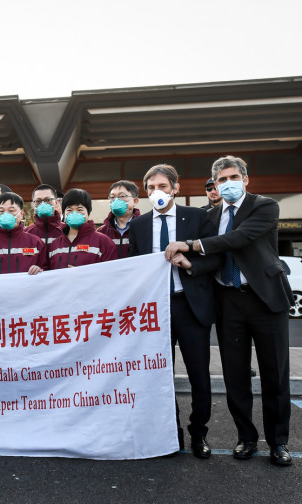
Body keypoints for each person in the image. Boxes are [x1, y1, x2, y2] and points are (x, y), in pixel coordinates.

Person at [165, 155, 294, 466]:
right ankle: (246, 438)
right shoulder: (209, 216)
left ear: (245, 179)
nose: (228, 184)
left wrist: (191, 245)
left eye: (233, 177)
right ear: (215, 184)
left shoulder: (265, 206)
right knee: (235, 375)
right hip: (227, 300)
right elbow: (212, 259)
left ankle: (278, 442)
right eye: (221, 180)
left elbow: (239, 238)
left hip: (266, 299)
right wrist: (191, 264)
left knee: (275, 374)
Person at [128, 165, 220, 459]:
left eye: (163, 186)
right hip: (156, 310)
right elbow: (133, 265)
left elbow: (216, 258)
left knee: (198, 375)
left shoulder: (197, 217)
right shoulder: (139, 226)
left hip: (190, 307)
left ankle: (199, 433)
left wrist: (190, 264)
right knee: (160, 376)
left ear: (175, 188)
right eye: (151, 188)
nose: (157, 192)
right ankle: (171, 434)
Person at [0, 192, 47, 276]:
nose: (6, 214)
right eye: (1, 210)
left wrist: (40, 270)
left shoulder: (36, 243)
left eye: (11, 210)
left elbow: (49, 271)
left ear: (21, 213)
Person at [48, 189, 117, 269]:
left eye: (80, 209)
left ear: (88, 212)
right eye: (69, 210)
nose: (74, 213)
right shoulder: (55, 245)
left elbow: (111, 272)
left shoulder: (103, 242)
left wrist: (83, 274)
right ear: (64, 213)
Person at [97, 180, 141, 259]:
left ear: (135, 201)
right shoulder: (102, 231)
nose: (116, 200)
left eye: (122, 196)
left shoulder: (145, 227)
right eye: (112, 197)